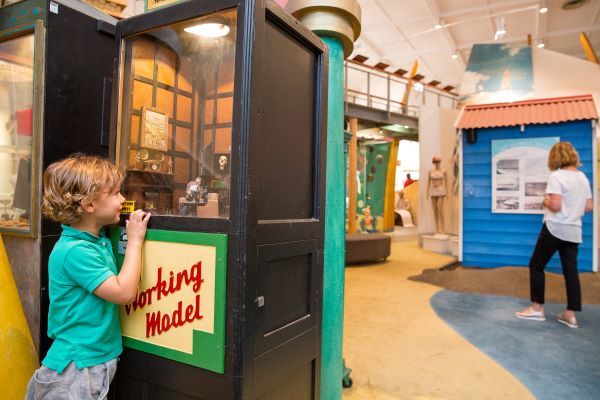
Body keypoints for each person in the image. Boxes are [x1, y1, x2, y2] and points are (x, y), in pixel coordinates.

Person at [26, 154, 150, 399]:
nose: (123, 199)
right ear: (89, 205)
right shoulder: (76, 251)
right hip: (75, 370)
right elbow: (124, 293)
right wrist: (135, 241)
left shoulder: (94, 241)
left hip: (88, 364)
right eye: (115, 193)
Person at [515, 142, 592, 328]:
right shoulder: (583, 178)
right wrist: (573, 208)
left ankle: (536, 309)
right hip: (574, 231)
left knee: (536, 265)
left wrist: (545, 201)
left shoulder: (556, 176)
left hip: (555, 228)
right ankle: (570, 315)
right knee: (571, 272)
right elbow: (589, 207)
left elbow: (555, 206)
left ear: (556, 157)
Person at [426, 155, 447, 235]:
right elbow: (428, 182)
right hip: (433, 191)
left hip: (441, 190)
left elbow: (446, 182)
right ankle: (437, 229)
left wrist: (447, 192)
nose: (436, 163)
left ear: (440, 162)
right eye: (434, 162)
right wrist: (427, 192)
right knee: (435, 211)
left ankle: (443, 229)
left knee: (440, 210)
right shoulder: (431, 171)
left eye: (437, 162)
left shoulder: (443, 171)